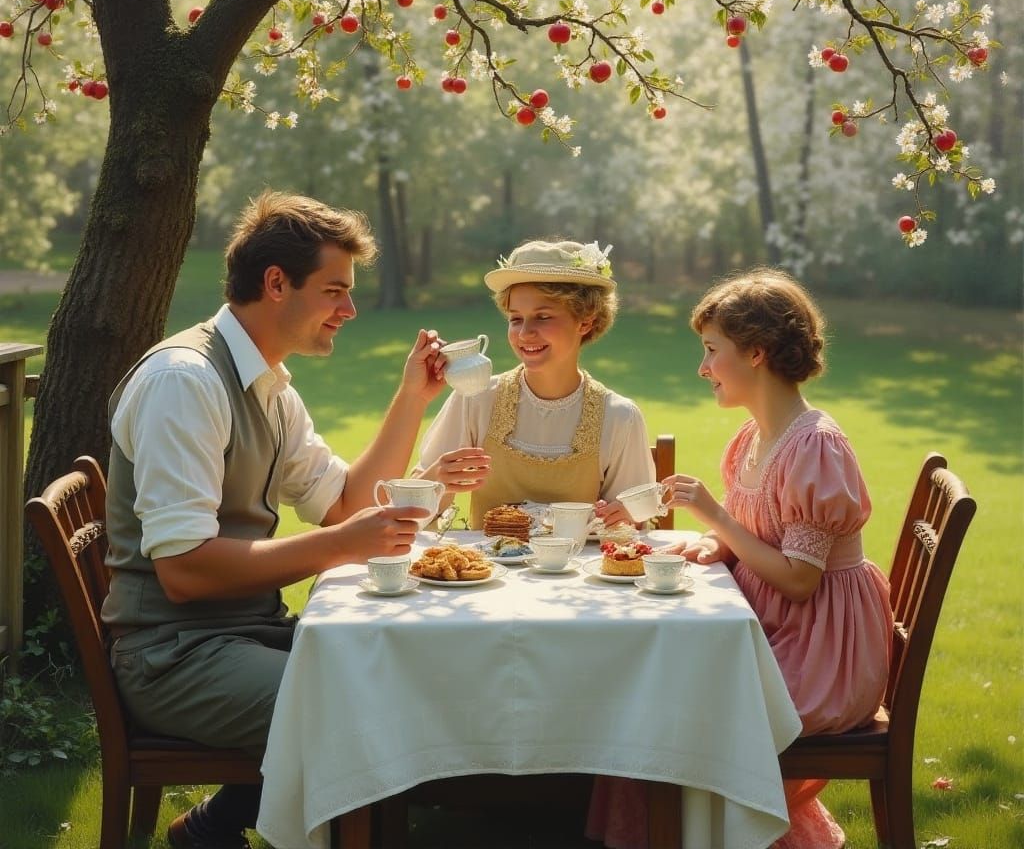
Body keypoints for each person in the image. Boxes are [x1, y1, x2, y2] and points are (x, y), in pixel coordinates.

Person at [101, 191, 484, 849]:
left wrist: (411, 397)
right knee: (364, 703)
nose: (350, 309)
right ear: (277, 283)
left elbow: (342, 504)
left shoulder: (269, 383)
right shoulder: (184, 383)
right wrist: (340, 546)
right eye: (335, 290)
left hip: (242, 635)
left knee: (402, 670)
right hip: (172, 659)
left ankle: (216, 826)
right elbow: (185, 571)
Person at [588, 267, 892, 849]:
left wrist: (715, 517)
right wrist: (703, 546)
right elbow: (755, 537)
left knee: (663, 706)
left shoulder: (814, 447)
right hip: (779, 630)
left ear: (755, 353)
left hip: (822, 651)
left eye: (710, 351)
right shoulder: (754, 439)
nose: (702, 368)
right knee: (644, 689)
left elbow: (801, 580)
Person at [415, 238, 654, 529]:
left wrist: (624, 518)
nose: (525, 333)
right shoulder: (475, 399)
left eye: (542, 317)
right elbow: (416, 514)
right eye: (516, 319)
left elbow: (631, 532)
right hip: (487, 573)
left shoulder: (619, 417)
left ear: (585, 322)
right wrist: (438, 483)